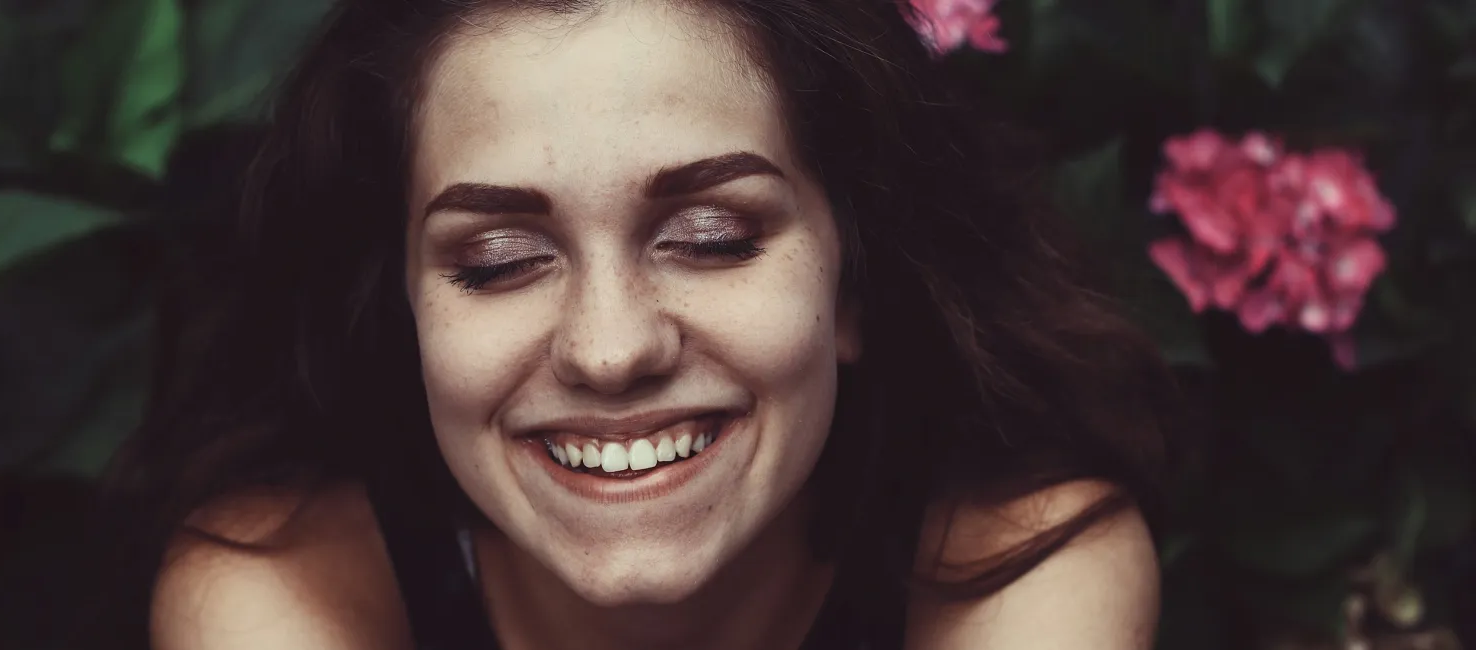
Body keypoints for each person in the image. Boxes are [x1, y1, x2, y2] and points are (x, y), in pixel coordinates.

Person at [103, 0, 1180, 648]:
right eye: (498, 262)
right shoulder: (284, 593)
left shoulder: (1026, 569)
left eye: (710, 237)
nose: (610, 348)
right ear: (403, 317)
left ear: (852, 282)